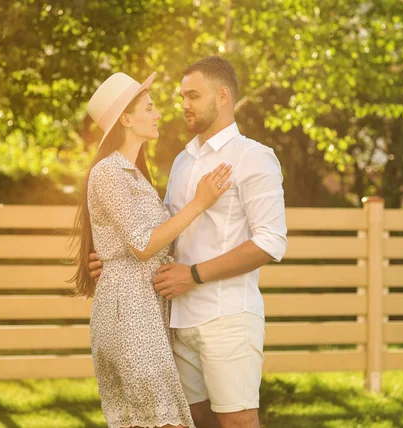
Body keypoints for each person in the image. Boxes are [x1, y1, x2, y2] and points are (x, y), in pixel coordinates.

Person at [89, 57, 288, 428]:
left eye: (193, 96)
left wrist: (193, 275)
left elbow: (270, 242)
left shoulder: (254, 157)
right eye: (181, 96)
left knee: (238, 422)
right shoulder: (182, 161)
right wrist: (111, 261)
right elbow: (161, 234)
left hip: (227, 315)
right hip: (175, 320)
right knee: (198, 421)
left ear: (223, 96)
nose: (182, 105)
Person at [71, 70, 233, 428]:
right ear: (126, 119)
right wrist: (199, 203)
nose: (159, 113)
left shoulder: (135, 176)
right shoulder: (109, 173)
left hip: (144, 310)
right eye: (150, 106)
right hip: (128, 313)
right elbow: (144, 244)